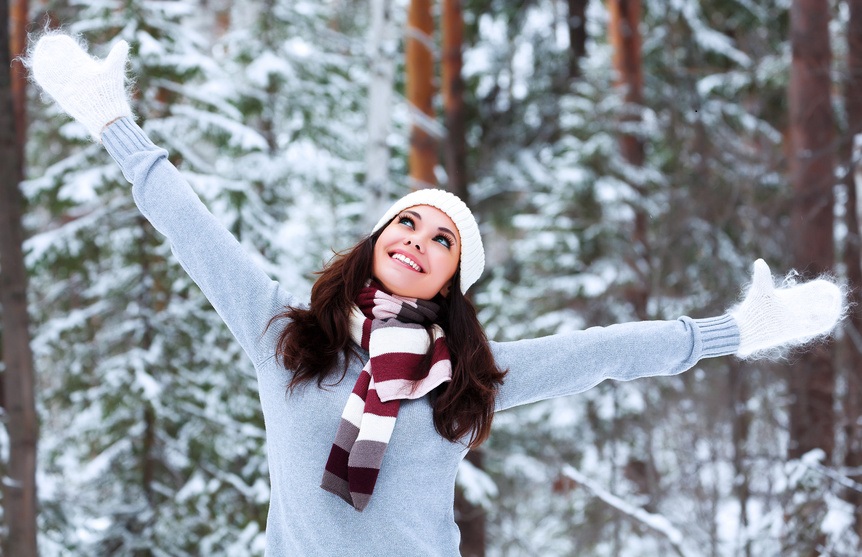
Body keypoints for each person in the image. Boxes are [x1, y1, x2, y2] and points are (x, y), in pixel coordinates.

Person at [29, 34, 844, 555]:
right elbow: (195, 229)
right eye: (408, 224)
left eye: (442, 238)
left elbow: (606, 353)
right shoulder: (286, 335)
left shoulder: (466, 380)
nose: (418, 238)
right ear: (377, 243)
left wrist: (736, 330)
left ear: (453, 279)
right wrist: (113, 122)